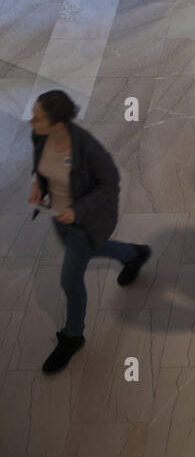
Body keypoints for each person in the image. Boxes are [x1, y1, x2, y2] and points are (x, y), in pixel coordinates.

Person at [28, 90, 151, 375]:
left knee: (70, 280)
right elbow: (43, 167)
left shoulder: (88, 150)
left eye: (38, 117)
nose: (30, 120)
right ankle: (134, 254)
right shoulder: (40, 135)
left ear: (57, 124)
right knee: (91, 250)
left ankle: (73, 336)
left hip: (85, 222)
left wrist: (79, 211)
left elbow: (111, 184)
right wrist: (39, 185)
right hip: (58, 215)